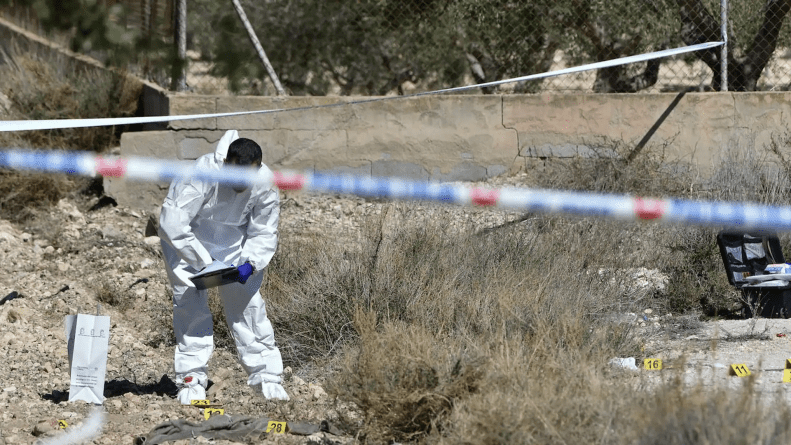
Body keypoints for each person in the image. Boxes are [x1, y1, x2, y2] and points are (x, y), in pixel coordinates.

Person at [158, 130, 288, 404]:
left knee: (249, 306)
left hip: (234, 245)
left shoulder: (265, 181)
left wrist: (250, 263)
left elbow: (264, 230)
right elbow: (173, 224)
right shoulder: (202, 172)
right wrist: (205, 264)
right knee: (190, 304)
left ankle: (268, 380)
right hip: (187, 243)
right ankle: (191, 380)